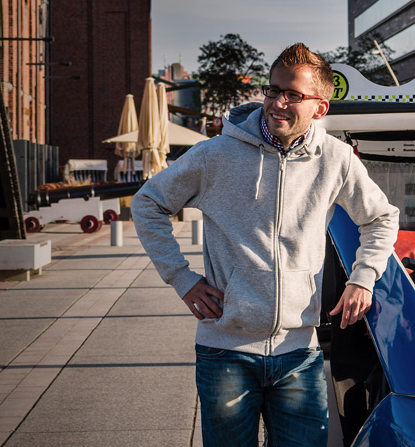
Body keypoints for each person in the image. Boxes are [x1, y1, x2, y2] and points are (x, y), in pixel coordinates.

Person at [132, 43, 399, 447]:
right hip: (226, 350)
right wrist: (181, 277)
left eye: (293, 94)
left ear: (320, 108)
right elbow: (147, 203)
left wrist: (363, 279)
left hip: (299, 353)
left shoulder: (337, 159)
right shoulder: (215, 154)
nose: (277, 102)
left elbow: (381, 218)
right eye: (273, 90)